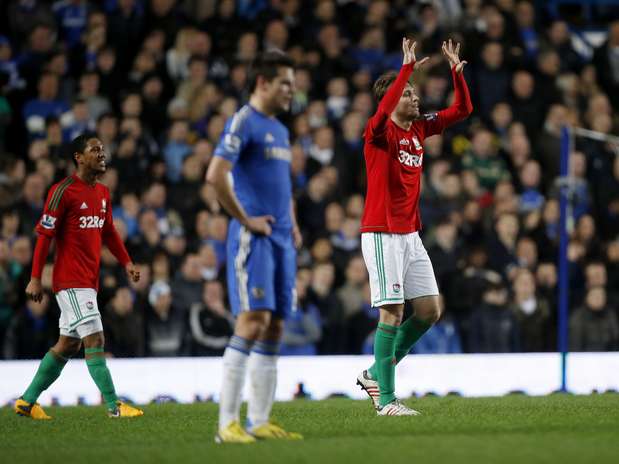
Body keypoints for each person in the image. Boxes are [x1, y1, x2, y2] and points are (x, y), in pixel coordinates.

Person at [356, 38, 472, 416]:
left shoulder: (418, 130)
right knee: (391, 312)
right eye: (407, 93)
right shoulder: (377, 134)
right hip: (381, 232)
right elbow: (383, 111)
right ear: (389, 100)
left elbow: (462, 110)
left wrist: (457, 74)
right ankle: (386, 401)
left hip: (410, 234)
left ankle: (375, 372)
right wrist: (404, 69)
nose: (416, 98)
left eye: (415, 92)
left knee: (428, 311)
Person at [206, 50, 302, 443]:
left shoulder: (280, 129)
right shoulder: (244, 120)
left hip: (282, 239)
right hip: (254, 238)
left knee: (275, 324)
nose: (291, 91)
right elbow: (215, 175)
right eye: (285, 83)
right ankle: (226, 424)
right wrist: (244, 219)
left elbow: (283, 184)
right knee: (252, 321)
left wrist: (292, 223)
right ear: (263, 83)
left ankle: (259, 419)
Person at [14, 134, 143, 420]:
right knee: (95, 339)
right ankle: (114, 406)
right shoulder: (63, 191)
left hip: (88, 281)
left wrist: (126, 262)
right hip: (70, 281)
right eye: (94, 149)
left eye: (102, 149)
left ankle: (26, 401)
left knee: (68, 344)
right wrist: (35, 277)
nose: (101, 153)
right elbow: (44, 236)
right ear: (78, 157)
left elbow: (108, 231)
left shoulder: (103, 193)